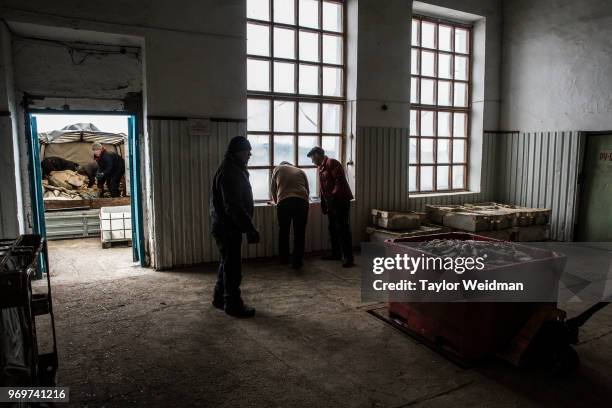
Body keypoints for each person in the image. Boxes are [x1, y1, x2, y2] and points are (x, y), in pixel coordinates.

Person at [210, 136, 260, 318]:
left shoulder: (232, 168)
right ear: (238, 151)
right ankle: (233, 304)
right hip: (228, 227)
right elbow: (234, 206)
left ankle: (219, 298)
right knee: (233, 267)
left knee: (227, 263)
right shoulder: (231, 171)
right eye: (247, 151)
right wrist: (250, 228)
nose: (250, 154)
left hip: (225, 226)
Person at [307, 146, 354, 267]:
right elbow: (323, 189)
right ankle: (336, 254)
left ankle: (348, 258)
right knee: (333, 229)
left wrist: (332, 198)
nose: (312, 161)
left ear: (317, 155)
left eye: (312, 158)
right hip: (332, 203)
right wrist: (325, 204)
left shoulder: (331, 163)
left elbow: (339, 182)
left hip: (340, 201)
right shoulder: (321, 168)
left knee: (343, 229)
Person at [270, 161, 310, 269]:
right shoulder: (300, 171)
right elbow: (307, 189)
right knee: (299, 233)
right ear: (291, 165)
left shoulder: (277, 169)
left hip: (284, 201)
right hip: (302, 201)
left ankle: (284, 259)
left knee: (284, 231)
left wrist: (276, 201)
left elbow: (273, 188)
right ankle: (297, 262)